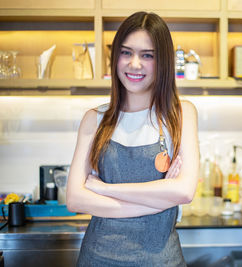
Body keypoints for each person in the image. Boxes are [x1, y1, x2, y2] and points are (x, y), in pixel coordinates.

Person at [66, 11, 199, 266]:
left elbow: (184, 190)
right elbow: (75, 198)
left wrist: (105, 190)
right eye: (126, 52)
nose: (134, 64)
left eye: (147, 55)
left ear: (163, 62)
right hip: (98, 258)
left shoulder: (181, 114)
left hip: (162, 260)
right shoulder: (94, 119)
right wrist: (158, 202)